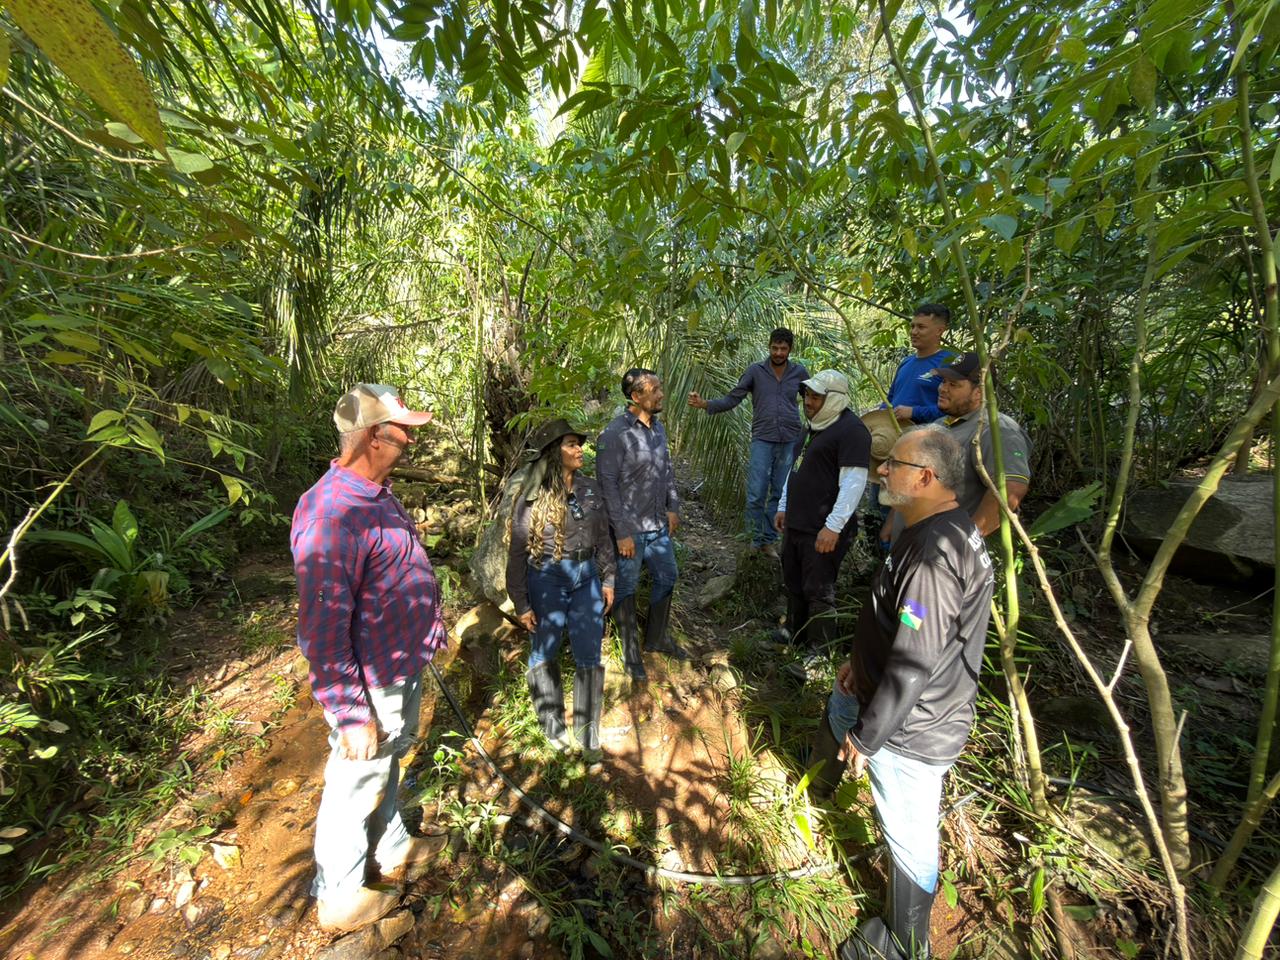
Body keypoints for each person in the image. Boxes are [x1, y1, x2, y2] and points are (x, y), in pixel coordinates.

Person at [813, 425, 995, 960]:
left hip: (913, 726)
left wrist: (869, 739)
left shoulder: (937, 556)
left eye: (893, 463)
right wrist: (858, 661)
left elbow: (916, 661)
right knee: (835, 709)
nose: (883, 470)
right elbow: (905, 627)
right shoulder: (934, 527)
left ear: (927, 476)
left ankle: (902, 943)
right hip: (881, 694)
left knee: (908, 834)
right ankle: (816, 787)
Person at [290, 384, 448, 933]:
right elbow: (322, 626)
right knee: (356, 774)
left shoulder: (374, 493)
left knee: (390, 758)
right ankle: (339, 893)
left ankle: (393, 845)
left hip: (399, 660)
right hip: (370, 678)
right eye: (403, 429)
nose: (411, 438)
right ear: (375, 437)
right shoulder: (332, 514)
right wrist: (352, 713)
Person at [505, 419, 615, 764]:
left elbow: (603, 539)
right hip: (547, 578)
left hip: (586, 579)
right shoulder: (532, 499)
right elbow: (518, 553)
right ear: (555, 452)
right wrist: (521, 603)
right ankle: (553, 727)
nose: (579, 449)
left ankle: (588, 733)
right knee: (545, 650)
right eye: (570, 444)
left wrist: (608, 580)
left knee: (589, 654)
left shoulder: (591, 489)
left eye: (579, 443)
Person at [879, 351, 1032, 545]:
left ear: (979, 392)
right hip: (910, 545)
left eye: (954, 385)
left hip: (942, 554)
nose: (942, 389)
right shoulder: (942, 424)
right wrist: (894, 519)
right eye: (943, 382)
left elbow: (1010, 488)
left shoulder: (996, 430)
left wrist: (964, 543)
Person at [597, 368, 688, 680]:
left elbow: (667, 470)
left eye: (660, 388)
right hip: (630, 530)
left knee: (667, 575)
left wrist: (673, 506)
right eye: (654, 390)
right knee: (626, 587)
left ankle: (656, 638)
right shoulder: (615, 434)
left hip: (658, 525)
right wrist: (621, 533)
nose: (661, 394)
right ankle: (630, 654)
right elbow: (607, 485)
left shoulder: (658, 429)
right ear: (636, 397)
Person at [687, 327, 810, 557]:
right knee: (756, 492)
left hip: (789, 439)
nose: (779, 352)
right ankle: (753, 540)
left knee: (779, 493)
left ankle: (769, 540)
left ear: (790, 350)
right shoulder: (756, 371)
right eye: (775, 347)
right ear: (769, 347)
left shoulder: (800, 373)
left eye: (783, 348)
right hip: (762, 438)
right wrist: (706, 404)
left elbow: (812, 400)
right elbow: (733, 398)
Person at [773, 370, 871, 652]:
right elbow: (794, 471)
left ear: (835, 399)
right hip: (797, 523)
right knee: (794, 580)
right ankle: (794, 632)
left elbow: (853, 483)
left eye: (816, 397)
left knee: (819, 591)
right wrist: (783, 506)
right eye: (807, 395)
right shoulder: (811, 428)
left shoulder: (852, 431)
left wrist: (833, 527)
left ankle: (819, 651)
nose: (809, 402)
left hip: (824, 528)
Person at [882, 304, 954, 424]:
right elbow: (890, 398)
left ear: (939, 330)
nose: (914, 332)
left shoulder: (950, 362)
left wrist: (914, 412)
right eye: (912, 326)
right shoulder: (906, 362)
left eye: (921, 327)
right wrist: (881, 414)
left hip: (927, 436)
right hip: (893, 434)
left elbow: (955, 409)